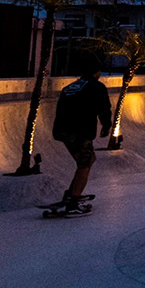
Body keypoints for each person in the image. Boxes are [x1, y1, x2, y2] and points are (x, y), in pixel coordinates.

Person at [51, 69, 111, 215]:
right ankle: (73, 203)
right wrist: (106, 125)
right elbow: (104, 108)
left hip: (62, 129)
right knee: (86, 162)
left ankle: (72, 193)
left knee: (88, 159)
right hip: (80, 130)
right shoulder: (97, 86)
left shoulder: (70, 87)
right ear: (96, 72)